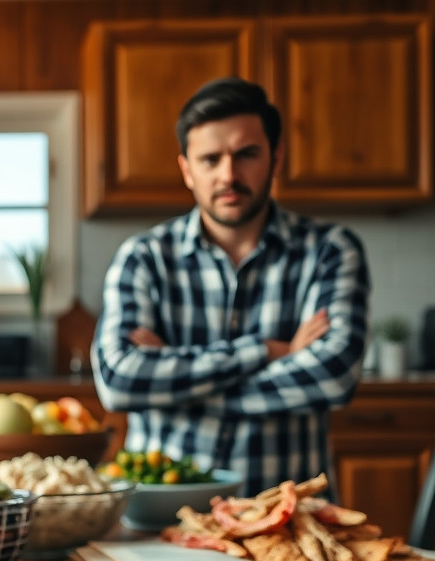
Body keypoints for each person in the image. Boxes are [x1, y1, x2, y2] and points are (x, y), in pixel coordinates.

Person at [91, 77, 370, 496]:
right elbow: (118, 382)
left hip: (288, 512)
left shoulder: (330, 250)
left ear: (276, 158)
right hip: (160, 517)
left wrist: (173, 387)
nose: (229, 175)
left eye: (246, 155)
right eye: (210, 159)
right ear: (187, 170)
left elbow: (334, 376)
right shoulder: (143, 257)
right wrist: (267, 351)